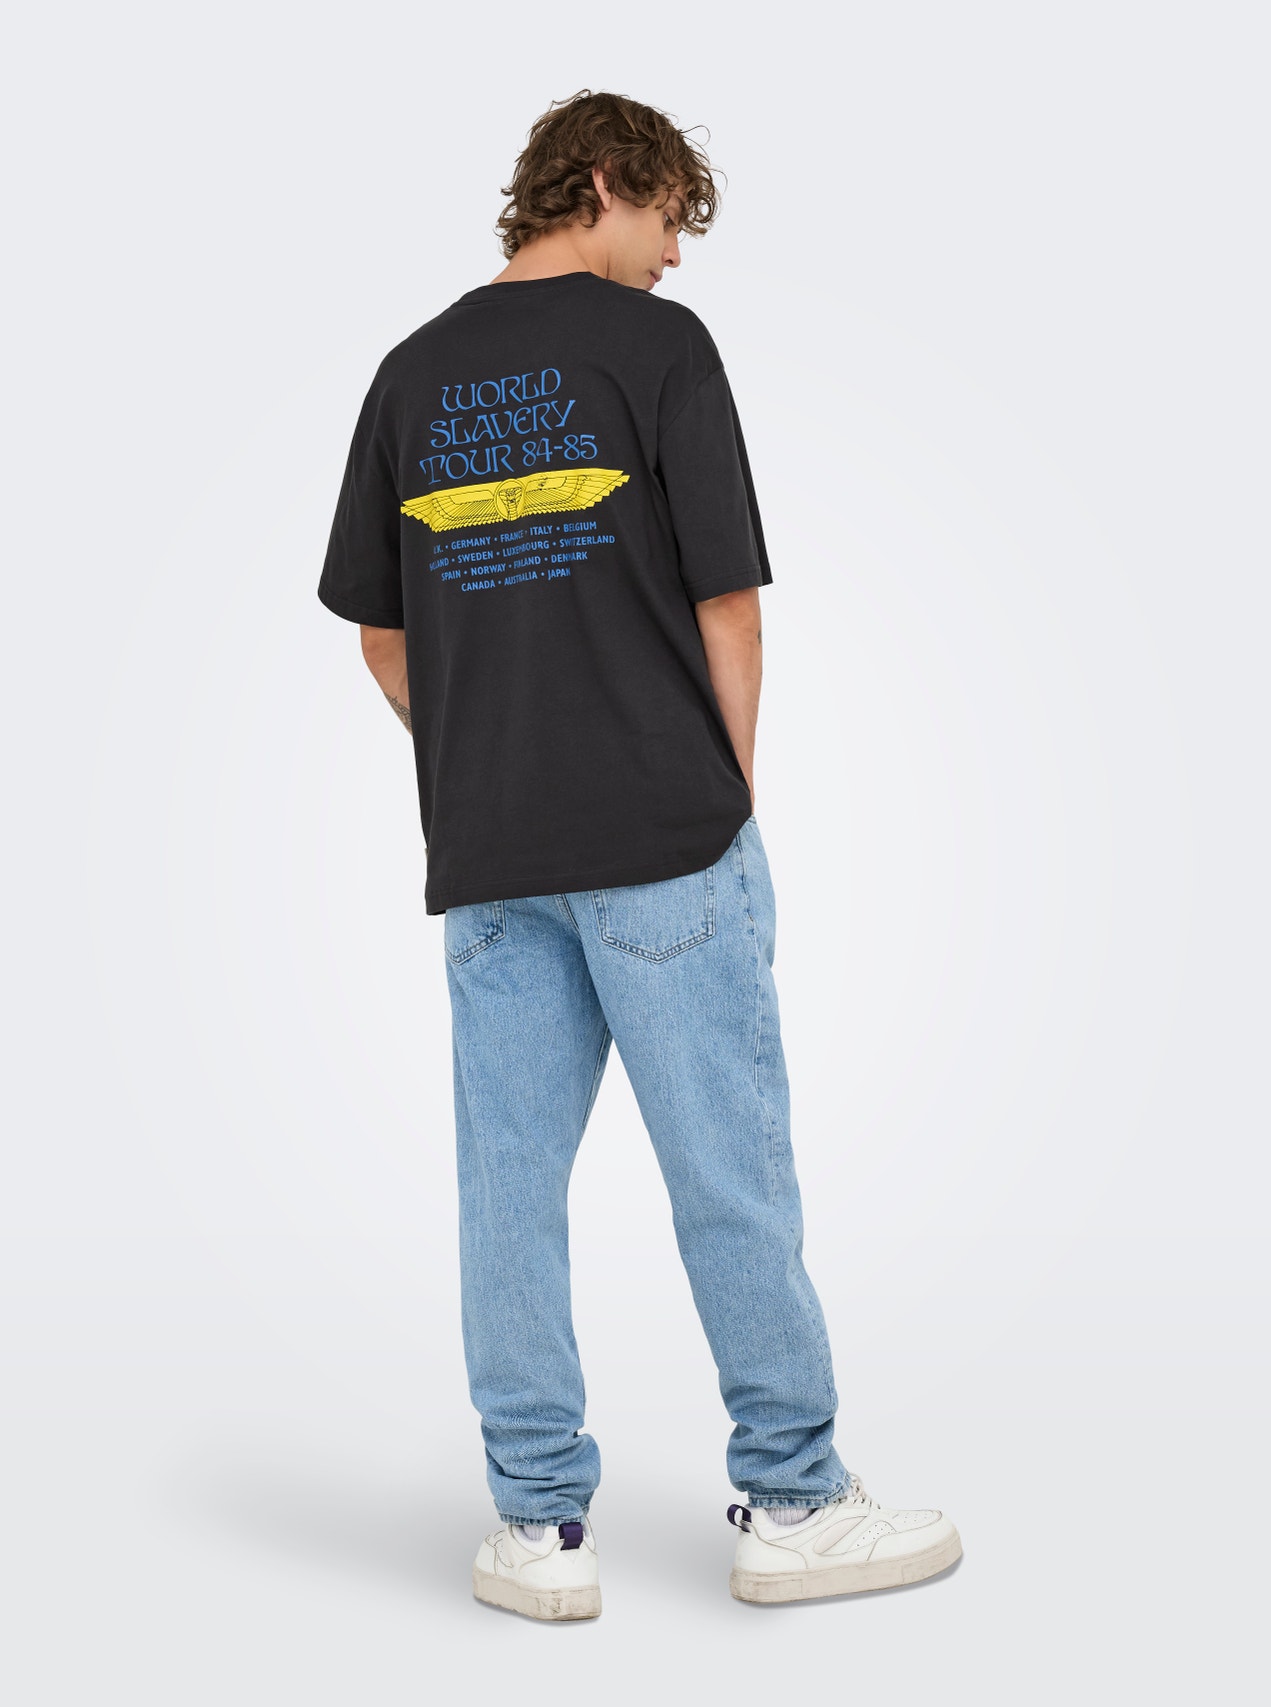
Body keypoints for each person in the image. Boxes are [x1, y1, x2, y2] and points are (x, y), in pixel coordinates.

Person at [317, 88, 960, 1621]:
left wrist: (483, 760)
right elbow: (729, 603)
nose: (676, 255)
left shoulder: (410, 372)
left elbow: (382, 636)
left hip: (491, 855)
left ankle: (539, 1532)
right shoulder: (658, 351)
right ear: (602, 181)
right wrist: (725, 799)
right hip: (664, 836)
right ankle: (794, 1502)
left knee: (509, 1194)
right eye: (669, 218)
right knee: (728, 1176)